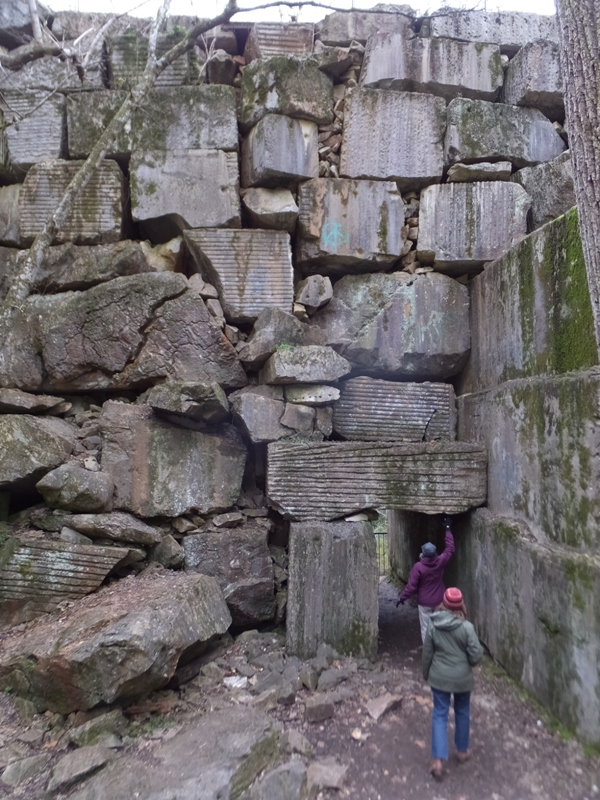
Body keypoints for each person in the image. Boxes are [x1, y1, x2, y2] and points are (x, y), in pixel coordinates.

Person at [422, 587, 484, 781]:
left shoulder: (433, 625)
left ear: (444, 604)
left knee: (440, 714)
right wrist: (468, 665)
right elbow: (476, 654)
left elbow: (427, 654)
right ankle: (462, 751)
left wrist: (427, 674)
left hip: (439, 677)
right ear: (461, 605)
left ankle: (438, 761)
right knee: (463, 711)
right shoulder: (466, 628)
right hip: (462, 679)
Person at [397, 516, 455, 642]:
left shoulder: (419, 567)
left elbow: (411, 586)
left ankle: (429, 652)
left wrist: (402, 597)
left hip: (424, 603)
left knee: (426, 628)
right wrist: (448, 529)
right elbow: (450, 548)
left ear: (422, 554)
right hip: (440, 600)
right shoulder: (440, 561)